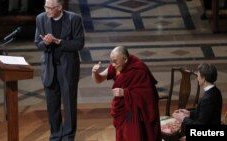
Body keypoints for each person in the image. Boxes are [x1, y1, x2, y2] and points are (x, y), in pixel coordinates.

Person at [34, 0, 85, 140]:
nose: (47, 10)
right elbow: (37, 42)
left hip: (68, 68)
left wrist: (59, 42)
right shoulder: (41, 19)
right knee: (52, 106)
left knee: (69, 105)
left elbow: (79, 43)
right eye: (46, 7)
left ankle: (68, 136)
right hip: (49, 68)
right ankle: (55, 136)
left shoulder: (74, 19)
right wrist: (45, 42)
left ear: (60, 7)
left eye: (51, 8)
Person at [92, 46, 161, 141]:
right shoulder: (116, 66)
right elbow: (99, 79)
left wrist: (125, 93)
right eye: (111, 61)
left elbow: (149, 96)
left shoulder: (139, 69)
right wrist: (94, 73)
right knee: (123, 134)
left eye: (115, 61)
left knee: (132, 134)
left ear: (125, 59)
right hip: (123, 109)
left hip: (135, 112)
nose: (113, 64)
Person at [172, 63, 223, 138]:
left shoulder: (207, 99)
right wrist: (189, 113)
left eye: (198, 75)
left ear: (204, 78)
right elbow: (205, 114)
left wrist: (183, 119)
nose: (197, 78)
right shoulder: (216, 91)